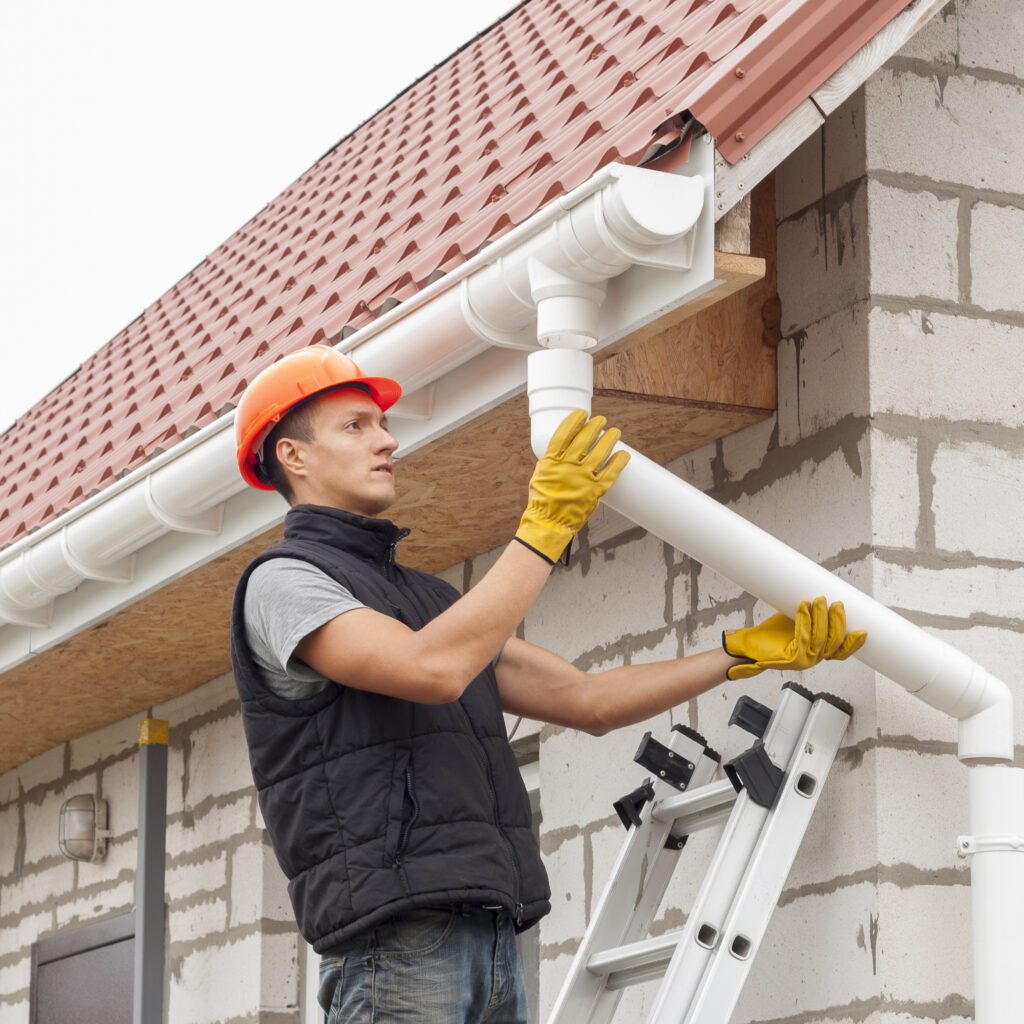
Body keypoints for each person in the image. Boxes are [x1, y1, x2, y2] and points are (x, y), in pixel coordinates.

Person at [229, 344, 866, 1024]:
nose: (386, 440)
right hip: (396, 946)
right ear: (292, 456)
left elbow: (584, 702)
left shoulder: (431, 602)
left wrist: (740, 654)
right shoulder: (284, 582)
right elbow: (430, 671)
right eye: (355, 425)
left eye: (383, 425)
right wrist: (543, 530)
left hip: (493, 938)